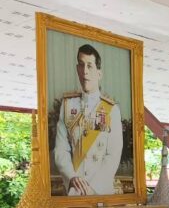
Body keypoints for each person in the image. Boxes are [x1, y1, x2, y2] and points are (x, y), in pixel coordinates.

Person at [52, 43, 123, 196]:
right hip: (75, 192)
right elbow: (61, 150)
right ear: (77, 68)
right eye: (81, 64)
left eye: (90, 66)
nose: (85, 71)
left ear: (99, 73)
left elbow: (113, 155)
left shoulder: (111, 110)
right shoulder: (67, 106)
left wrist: (92, 189)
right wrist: (72, 177)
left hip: (101, 193)